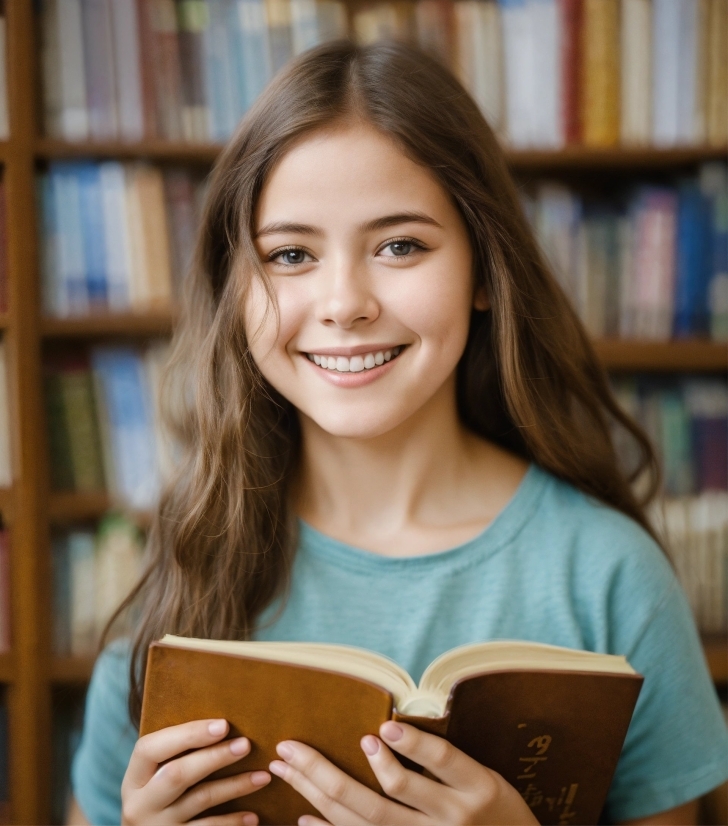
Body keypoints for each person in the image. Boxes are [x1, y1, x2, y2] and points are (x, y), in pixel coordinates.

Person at [69, 40, 728, 826]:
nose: (344, 302)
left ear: (485, 270)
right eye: (289, 255)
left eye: (400, 245)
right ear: (235, 293)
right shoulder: (189, 559)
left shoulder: (610, 577)